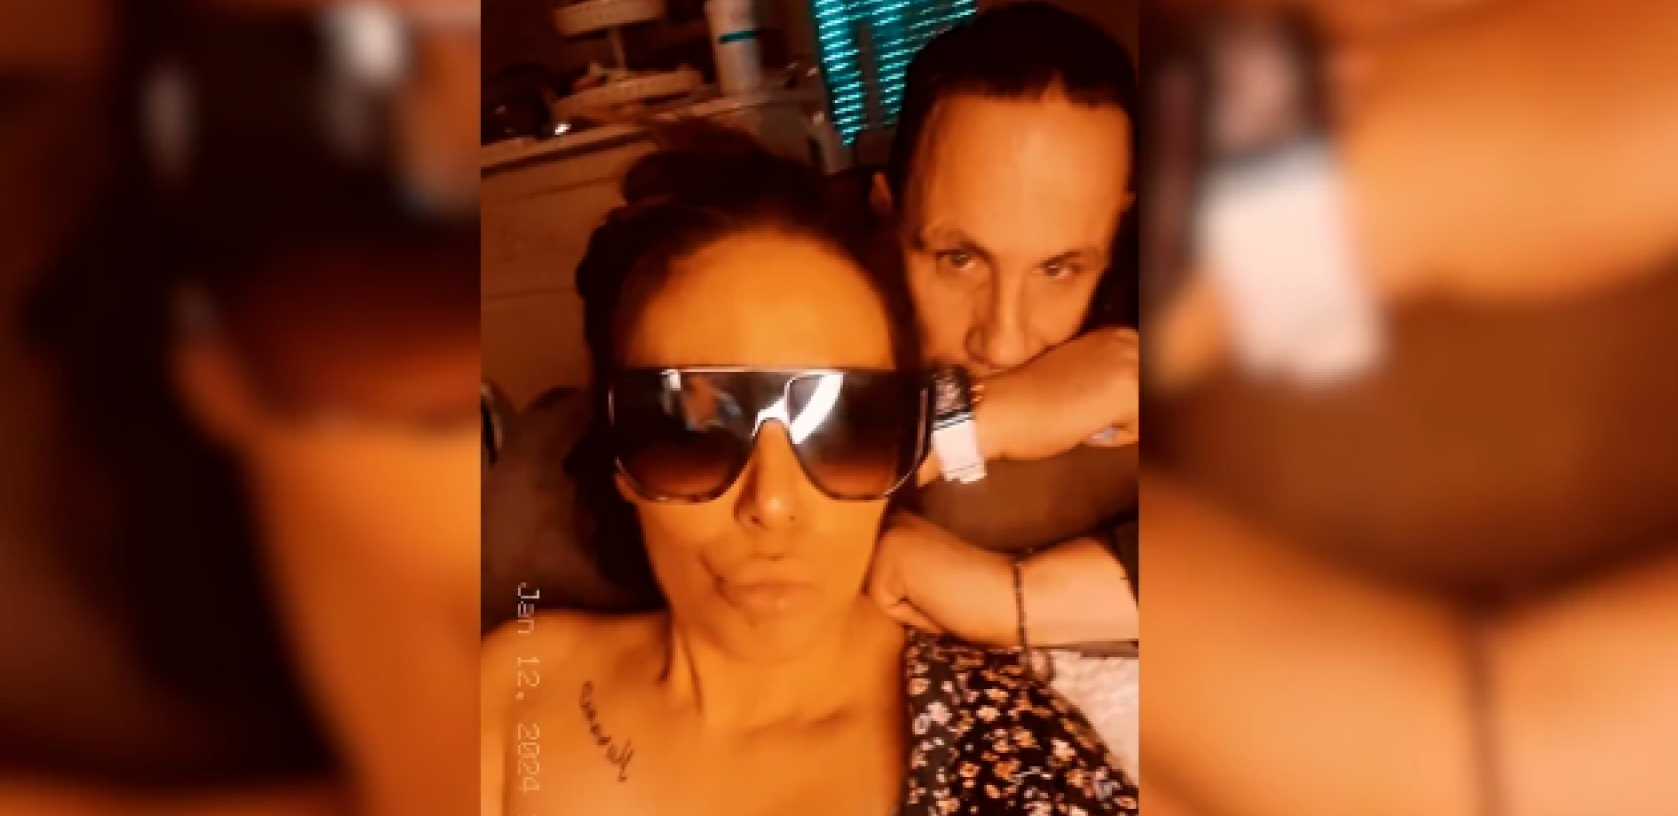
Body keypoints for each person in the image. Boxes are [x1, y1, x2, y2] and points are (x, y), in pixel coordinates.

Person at [481, 127, 1135, 816]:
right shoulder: (519, 681)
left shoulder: (1018, 760)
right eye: (693, 429)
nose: (772, 503)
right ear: (619, 454)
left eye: (841, 426)